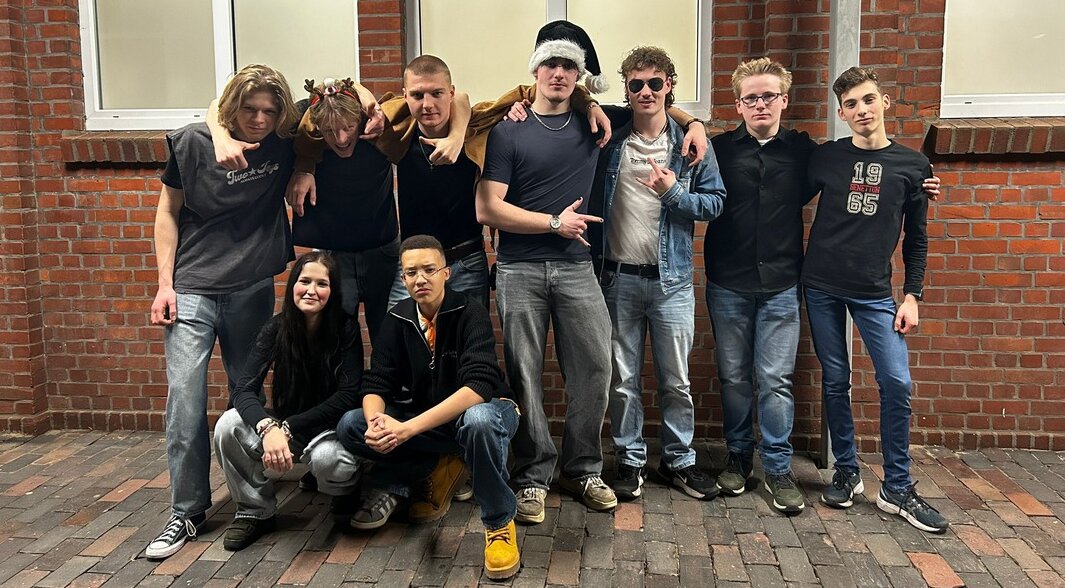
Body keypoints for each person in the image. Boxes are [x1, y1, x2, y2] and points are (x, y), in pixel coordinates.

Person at [707, 58, 940, 514]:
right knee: (743, 377)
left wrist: (919, 186)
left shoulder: (809, 152)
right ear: (738, 104)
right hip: (742, 282)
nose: (760, 104)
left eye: (769, 96)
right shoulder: (723, 150)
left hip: (794, 284)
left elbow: (902, 217)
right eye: (751, 97)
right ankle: (746, 458)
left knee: (780, 380)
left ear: (784, 101)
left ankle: (781, 469)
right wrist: (693, 122)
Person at [147, 64, 297, 559]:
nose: (259, 119)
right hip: (193, 286)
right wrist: (164, 286)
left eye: (269, 111)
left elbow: (340, 107)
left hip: (251, 286)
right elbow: (168, 211)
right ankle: (187, 511)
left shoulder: (282, 142)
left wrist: (307, 167)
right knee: (185, 402)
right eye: (250, 109)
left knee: (245, 395)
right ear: (231, 106)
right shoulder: (192, 142)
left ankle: (252, 502)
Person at [803, 66, 947, 533]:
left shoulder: (914, 167)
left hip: (874, 292)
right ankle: (847, 471)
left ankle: (897, 487)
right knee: (835, 380)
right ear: (841, 113)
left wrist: (913, 295)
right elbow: (780, 190)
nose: (861, 110)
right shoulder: (826, 158)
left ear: (884, 102)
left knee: (896, 382)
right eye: (851, 104)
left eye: (868, 100)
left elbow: (917, 239)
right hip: (821, 285)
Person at [336, 235, 521, 581]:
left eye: (429, 270)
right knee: (351, 424)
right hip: (432, 421)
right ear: (403, 278)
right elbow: (377, 382)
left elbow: (478, 388)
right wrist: (377, 422)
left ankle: (499, 524)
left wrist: (406, 429)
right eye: (411, 273)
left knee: (478, 421)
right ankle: (432, 466)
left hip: (489, 411)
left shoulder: (470, 312)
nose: (420, 279)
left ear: (446, 273)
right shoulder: (397, 319)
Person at [589, 47, 726, 501]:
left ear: (670, 85)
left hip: (672, 283)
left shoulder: (691, 145)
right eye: (636, 84)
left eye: (654, 83)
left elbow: (714, 203)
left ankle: (678, 460)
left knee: (676, 380)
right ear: (626, 90)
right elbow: (576, 98)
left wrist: (672, 192)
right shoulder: (610, 141)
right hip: (618, 280)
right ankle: (630, 459)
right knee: (623, 380)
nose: (645, 91)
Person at [213, 251, 363, 551]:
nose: (311, 290)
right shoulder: (276, 328)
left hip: (327, 430)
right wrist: (268, 427)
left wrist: (289, 427)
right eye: (304, 281)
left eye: (322, 284)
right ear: (293, 284)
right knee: (228, 424)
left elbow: (347, 395)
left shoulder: (345, 328)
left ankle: (345, 491)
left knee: (328, 461)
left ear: (333, 291)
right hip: (285, 428)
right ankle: (254, 511)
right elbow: (243, 390)